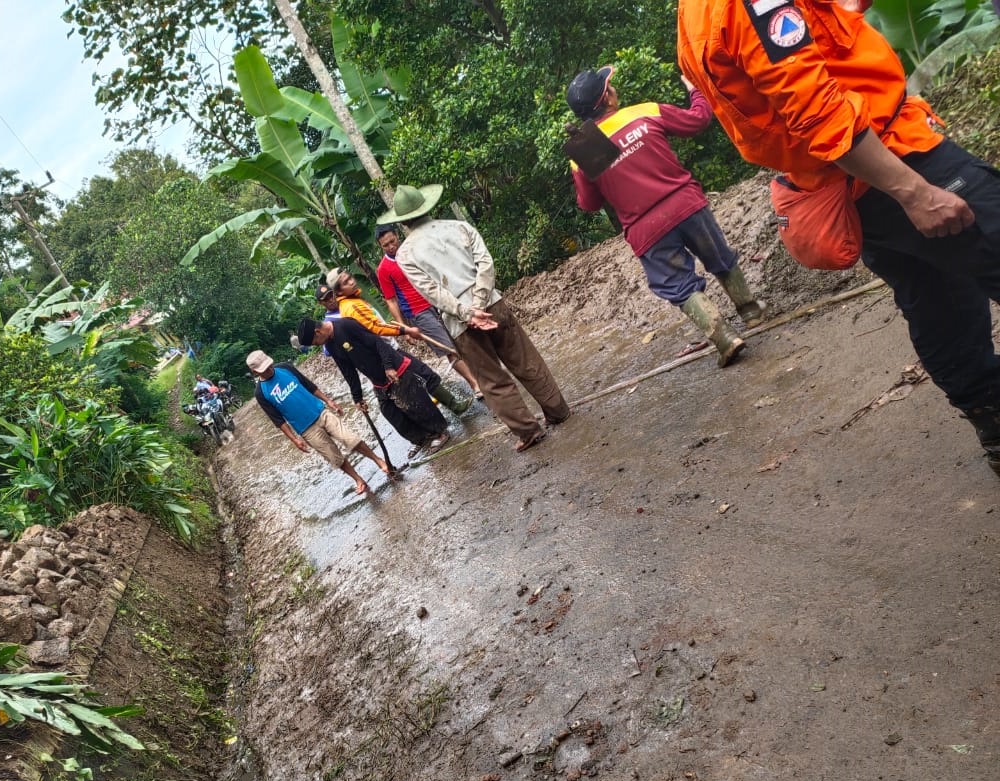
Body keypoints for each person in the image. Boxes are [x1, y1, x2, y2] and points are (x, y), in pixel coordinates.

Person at [677, 0, 1000, 477]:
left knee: (938, 301)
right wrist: (913, 193)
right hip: (891, 159)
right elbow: (817, 110)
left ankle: (993, 425)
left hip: (843, 181)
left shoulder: (692, 14)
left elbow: (802, 49)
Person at [566, 65, 766, 367]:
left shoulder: (580, 155)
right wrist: (695, 91)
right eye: (610, 86)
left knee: (679, 285)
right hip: (686, 205)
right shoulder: (644, 112)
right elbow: (698, 119)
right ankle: (750, 311)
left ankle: (725, 338)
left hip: (646, 230)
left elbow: (590, 204)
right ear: (606, 97)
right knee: (718, 256)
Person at [379, 184, 571, 452]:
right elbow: (485, 264)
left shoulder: (406, 254)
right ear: (428, 206)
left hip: (460, 323)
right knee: (525, 361)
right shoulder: (459, 227)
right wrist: (480, 302)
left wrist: (468, 312)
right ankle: (557, 410)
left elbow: (431, 291)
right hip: (493, 304)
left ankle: (528, 431)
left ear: (402, 222)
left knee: (491, 379)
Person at [297, 306, 451, 452]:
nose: (318, 345)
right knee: (390, 412)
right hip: (378, 380)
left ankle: (439, 432)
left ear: (318, 332)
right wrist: (358, 398)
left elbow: (377, 342)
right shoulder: (330, 345)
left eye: (315, 342)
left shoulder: (346, 325)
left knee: (413, 402)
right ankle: (422, 438)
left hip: (392, 367)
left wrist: (388, 366)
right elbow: (348, 372)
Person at [246, 349, 396, 495]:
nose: (269, 369)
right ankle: (358, 479)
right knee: (334, 457)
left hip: (320, 412)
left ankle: (379, 461)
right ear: (255, 372)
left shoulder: (285, 368)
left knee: (350, 439)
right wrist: (294, 440)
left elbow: (309, 385)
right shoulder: (261, 393)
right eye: (264, 369)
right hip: (306, 429)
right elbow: (278, 420)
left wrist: (329, 401)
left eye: (269, 365)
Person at [327, 268, 472, 416]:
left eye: (350, 278)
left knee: (419, 378)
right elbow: (376, 328)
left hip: (384, 350)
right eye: (346, 282)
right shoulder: (351, 307)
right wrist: (405, 330)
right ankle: (452, 408)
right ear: (339, 291)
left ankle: (447, 410)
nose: (352, 282)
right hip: (386, 351)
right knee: (424, 374)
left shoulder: (352, 301)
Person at [375, 224, 484, 397]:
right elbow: (391, 300)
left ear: (397, 236)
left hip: (440, 301)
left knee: (462, 338)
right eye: (386, 245)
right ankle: (475, 384)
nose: (391, 247)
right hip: (418, 312)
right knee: (447, 348)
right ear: (380, 246)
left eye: (392, 241)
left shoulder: (412, 251)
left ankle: (483, 376)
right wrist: (404, 329)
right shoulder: (383, 269)